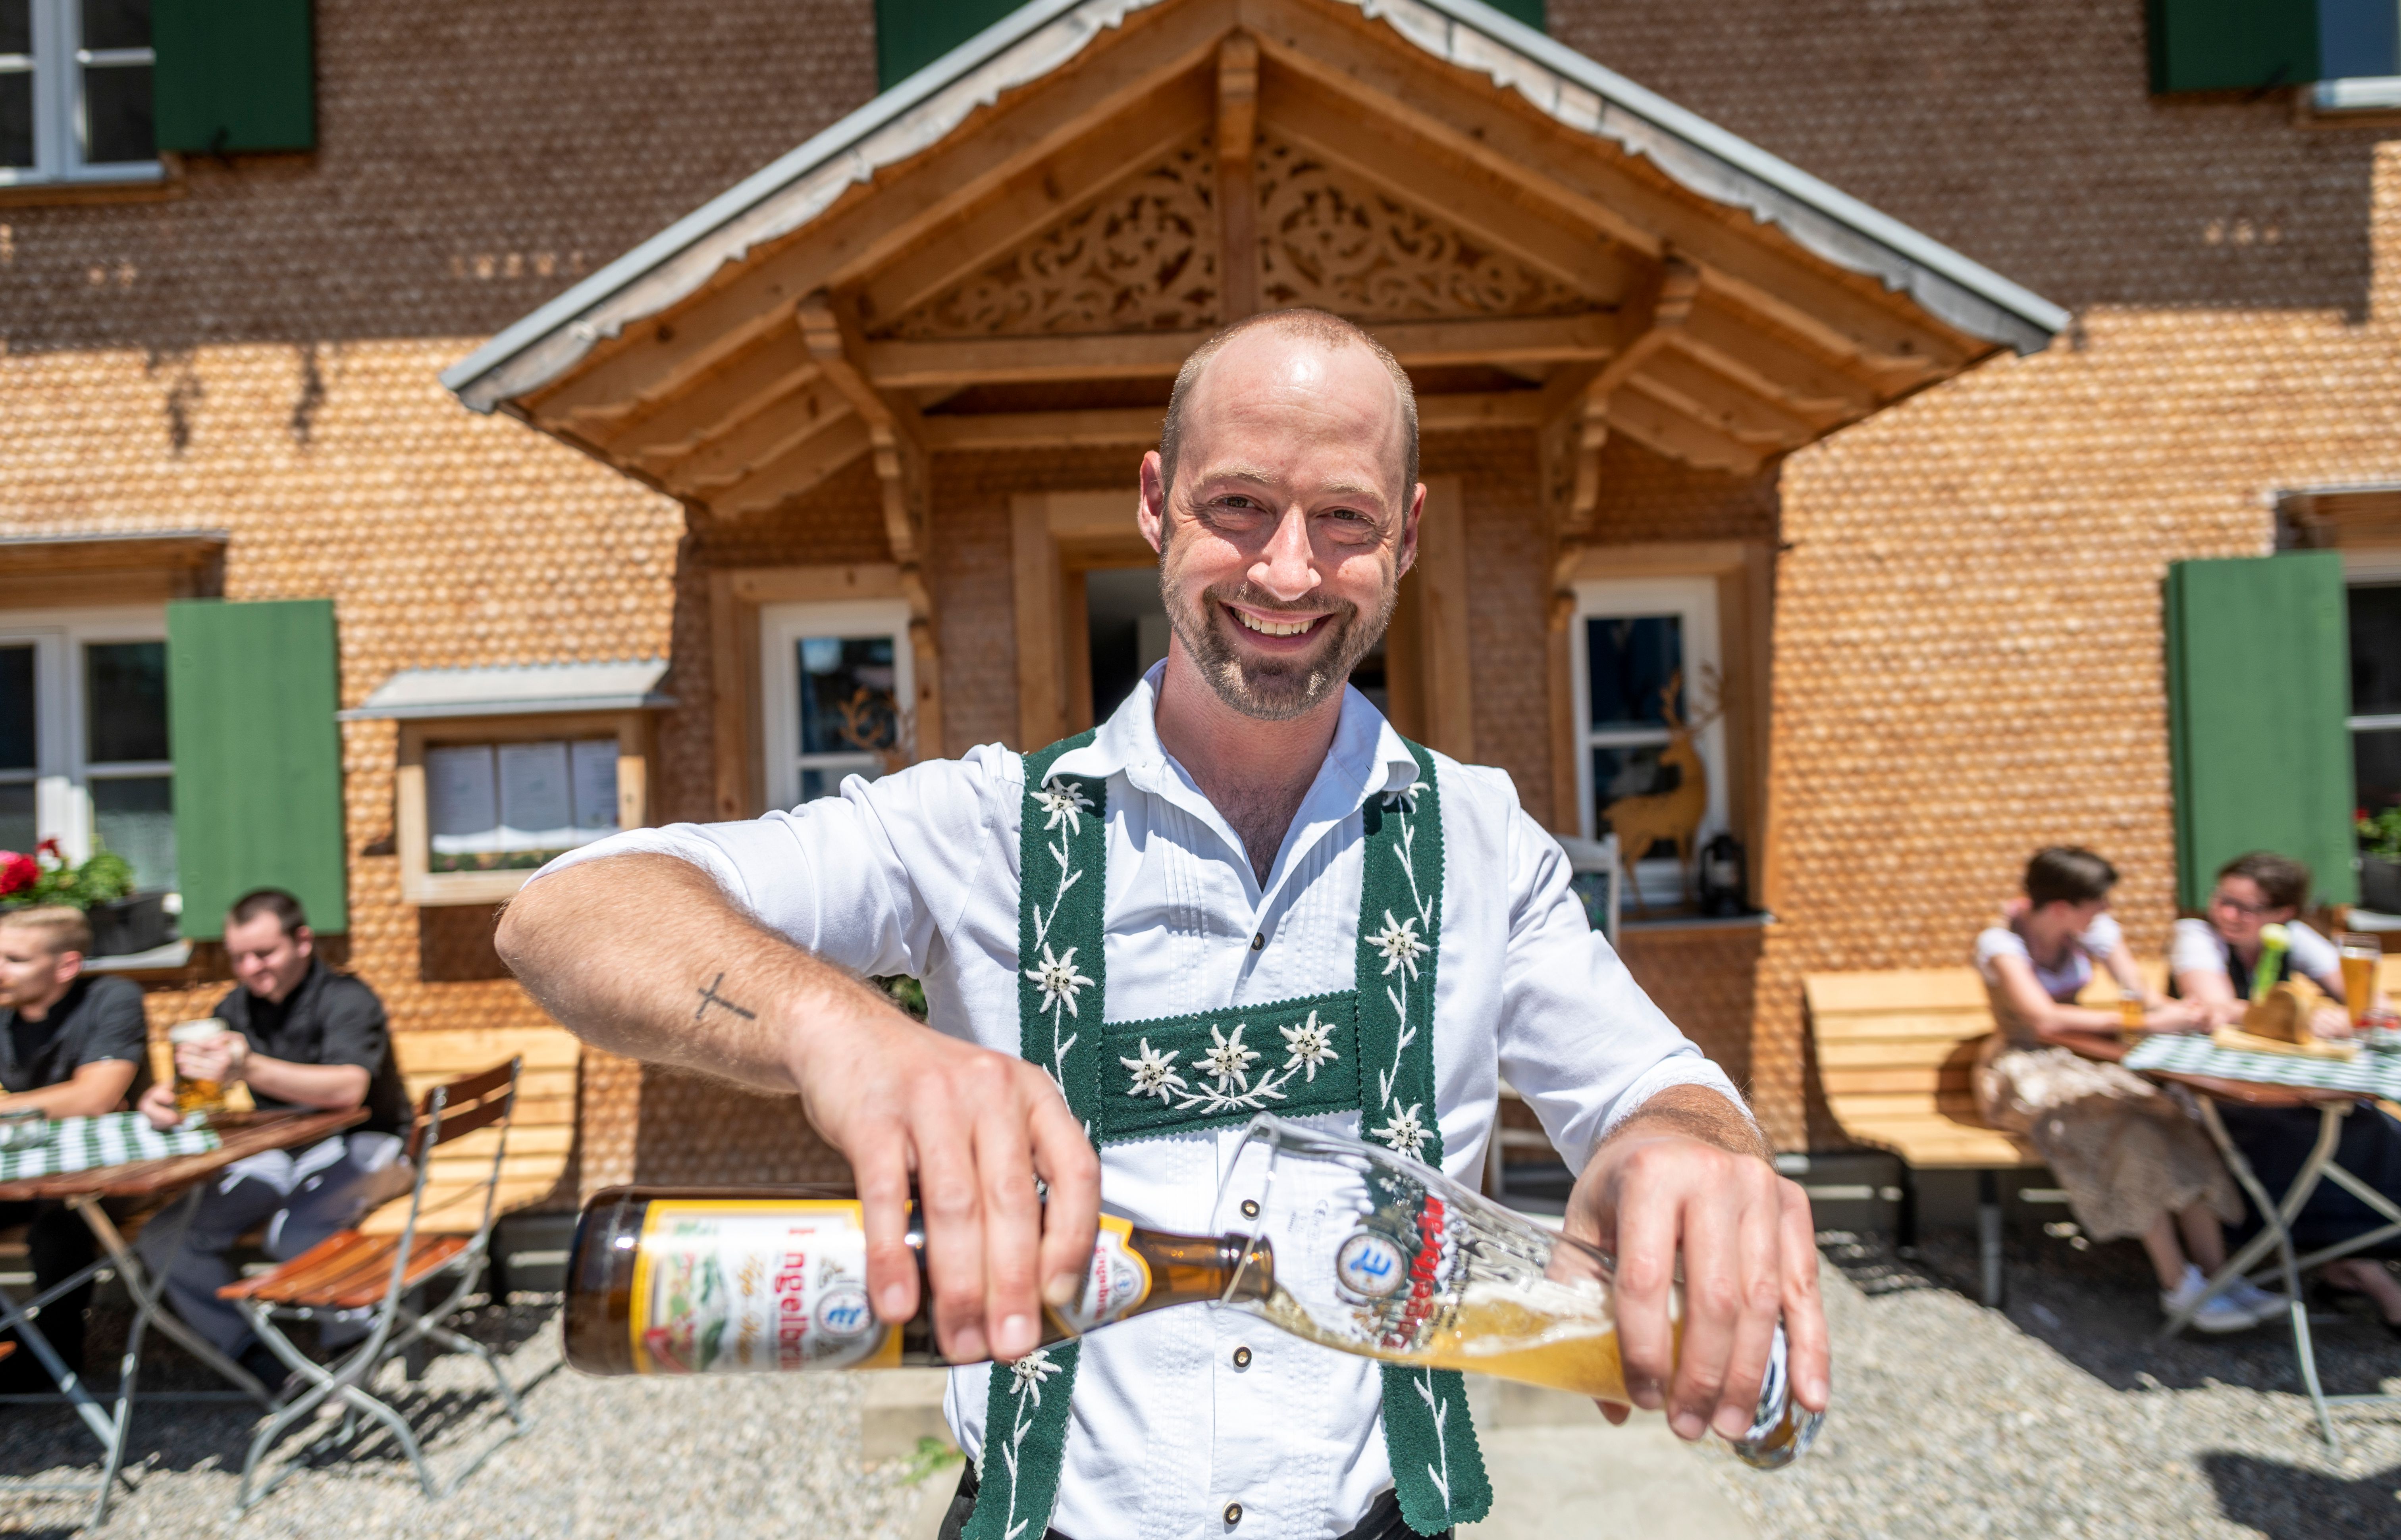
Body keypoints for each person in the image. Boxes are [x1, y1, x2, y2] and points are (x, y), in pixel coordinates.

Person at [497, 308, 1829, 1540]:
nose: (1289, 568)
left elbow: (1653, 1091)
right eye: (1237, 506)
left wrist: (1692, 1145)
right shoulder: (981, 828)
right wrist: (840, 1034)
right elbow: (568, 910)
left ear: (1408, 535)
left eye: (1343, 518)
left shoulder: (1480, 843)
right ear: (1153, 504)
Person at [1972, 847, 2274, 1332]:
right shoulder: (2001, 943)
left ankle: (2220, 1277)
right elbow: (2042, 1019)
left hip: (2085, 1061)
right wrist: (2142, 1019)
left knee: (2174, 1116)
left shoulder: (2090, 934)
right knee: (2127, 1133)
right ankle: (2178, 1286)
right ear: (2061, 908)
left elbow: (2144, 997)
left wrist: (2180, 1011)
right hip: (2024, 1070)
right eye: (2099, 903)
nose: (2107, 912)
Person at [135, 889, 413, 1384]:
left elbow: (350, 1089)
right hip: (280, 1149)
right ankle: (255, 1358)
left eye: (264, 953)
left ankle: (352, 1351)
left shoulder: (348, 998)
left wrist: (250, 1067)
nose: (251, 968)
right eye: (239, 957)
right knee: (164, 1237)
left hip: (369, 1142)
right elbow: (203, 1081)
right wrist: (168, 1098)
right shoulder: (234, 1007)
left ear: (303, 941)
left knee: (296, 1232)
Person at [2171, 851, 2401, 1332]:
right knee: (2320, 1137)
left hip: (2290, 1090)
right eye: (2223, 899)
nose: (2227, 913)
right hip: (2221, 1096)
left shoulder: (2294, 939)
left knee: (2375, 1127)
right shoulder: (2197, 936)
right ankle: (2362, 1267)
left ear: (2282, 914)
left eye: (2244, 907)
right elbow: (2214, 1007)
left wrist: (2349, 1014)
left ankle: (2352, 1262)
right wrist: (2303, 1015)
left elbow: (2369, 1004)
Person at [0, 905, 147, 1390]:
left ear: (66, 965)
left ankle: (53, 1358)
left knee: (59, 1217)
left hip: (114, 1175)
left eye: (15, 959)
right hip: (16, 1173)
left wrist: (11, 1106)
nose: (0, 968)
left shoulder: (111, 998)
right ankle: (24, 1340)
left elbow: (96, 1096)